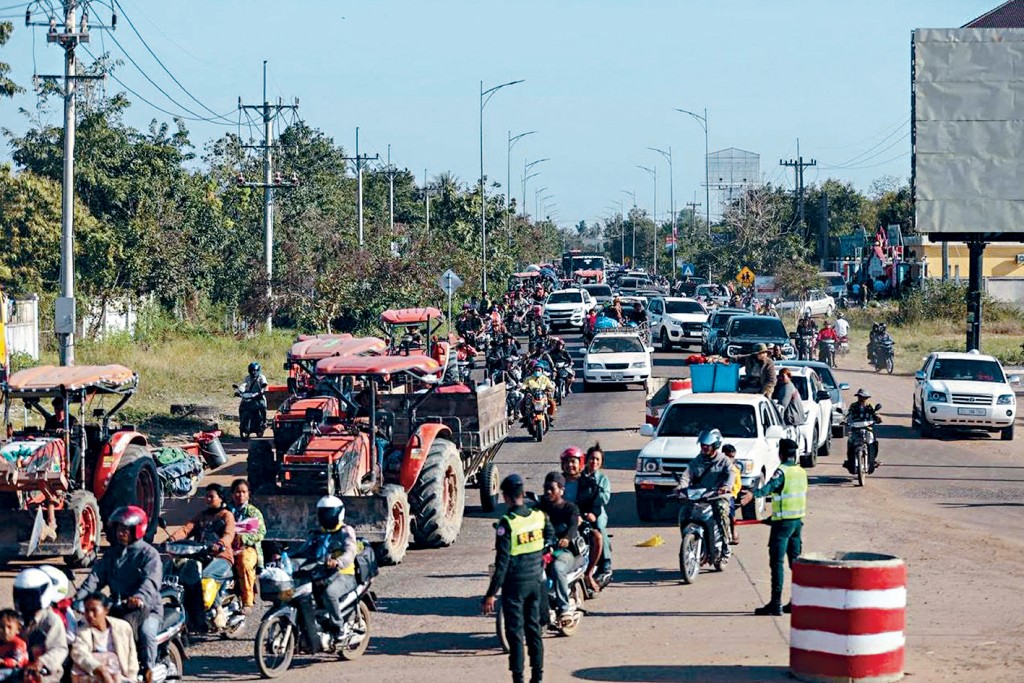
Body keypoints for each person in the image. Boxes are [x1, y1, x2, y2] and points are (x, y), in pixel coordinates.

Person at [74, 506, 161, 680]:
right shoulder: (111, 555)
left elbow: (150, 582)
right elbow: (95, 578)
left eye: (125, 529)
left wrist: (139, 598)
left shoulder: (149, 554)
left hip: (146, 609)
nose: (121, 533)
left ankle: (148, 670)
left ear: (138, 529)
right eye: (119, 529)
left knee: (146, 633)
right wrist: (77, 599)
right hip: (118, 607)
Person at [482, 474, 554, 683]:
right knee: (534, 631)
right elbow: (550, 537)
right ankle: (538, 677)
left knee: (515, 635)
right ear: (523, 494)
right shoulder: (538, 516)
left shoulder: (507, 523)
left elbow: (502, 563)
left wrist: (490, 594)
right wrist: (540, 554)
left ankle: (519, 678)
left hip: (515, 585)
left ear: (505, 497)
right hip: (536, 581)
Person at [740, 438, 807, 616]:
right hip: (796, 523)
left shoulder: (782, 471)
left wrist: (752, 494)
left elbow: (769, 488)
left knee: (776, 563)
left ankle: (775, 603)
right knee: (795, 564)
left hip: (783, 525)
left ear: (781, 454)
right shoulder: (801, 472)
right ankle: (797, 602)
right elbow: (791, 498)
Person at [289, 496, 358, 646]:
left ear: (339, 513)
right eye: (324, 513)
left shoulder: (346, 531)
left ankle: (339, 628)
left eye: (330, 512)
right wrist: (287, 557)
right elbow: (303, 550)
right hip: (321, 572)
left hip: (344, 574)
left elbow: (350, 552)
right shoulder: (317, 533)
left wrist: (338, 562)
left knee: (330, 593)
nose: (327, 516)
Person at [167, 483, 236, 633]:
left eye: (211, 496)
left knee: (205, 578)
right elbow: (187, 529)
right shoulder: (203, 515)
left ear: (221, 498)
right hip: (202, 555)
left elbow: (229, 534)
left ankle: (218, 609)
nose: (208, 499)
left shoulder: (226, 515)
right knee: (183, 575)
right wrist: (171, 539)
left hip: (221, 557)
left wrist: (221, 543)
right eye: (207, 496)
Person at [675, 429, 736, 562]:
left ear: (715, 446)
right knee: (685, 512)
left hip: (718, 496)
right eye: (702, 445)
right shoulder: (697, 461)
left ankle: (726, 545)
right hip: (699, 496)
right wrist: (681, 487)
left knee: (721, 511)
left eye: (707, 445)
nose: (704, 448)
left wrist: (726, 487)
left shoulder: (724, 461)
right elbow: (687, 474)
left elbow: (731, 474)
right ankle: (689, 544)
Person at [538, 472, 583, 622]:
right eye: (546, 488)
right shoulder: (539, 508)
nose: (548, 492)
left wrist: (566, 538)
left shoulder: (570, 508)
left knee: (557, 569)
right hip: (542, 550)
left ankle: (564, 609)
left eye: (552, 488)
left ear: (561, 490)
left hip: (564, 552)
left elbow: (573, 526)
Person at [13, 568, 68, 683]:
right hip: (17, 666)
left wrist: (41, 662)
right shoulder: (15, 618)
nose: (25, 601)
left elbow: (59, 649)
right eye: (21, 595)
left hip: (44, 673)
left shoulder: (51, 620)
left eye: (30, 596)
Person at [71, 593, 139, 683]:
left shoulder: (123, 627)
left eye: (94, 610)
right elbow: (79, 654)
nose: (90, 615)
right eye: (87, 611)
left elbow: (132, 656)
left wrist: (132, 678)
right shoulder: (82, 632)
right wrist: (100, 669)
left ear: (106, 610)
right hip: (95, 677)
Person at [227, 479, 266, 614]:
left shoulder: (253, 512)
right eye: (237, 492)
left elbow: (261, 533)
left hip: (248, 549)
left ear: (248, 494)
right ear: (232, 494)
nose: (240, 495)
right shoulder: (226, 511)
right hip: (227, 548)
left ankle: (247, 602)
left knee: (244, 562)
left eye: (243, 492)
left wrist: (244, 538)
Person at [578, 444, 613, 588]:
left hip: (597, 511)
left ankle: (606, 563)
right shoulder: (579, 476)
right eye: (592, 459)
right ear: (586, 460)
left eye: (597, 460)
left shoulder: (602, 479)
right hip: (580, 510)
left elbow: (605, 498)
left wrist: (594, 494)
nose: (594, 462)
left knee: (599, 528)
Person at [846, 388, 882, 473]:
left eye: (864, 397)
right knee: (850, 442)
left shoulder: (870, 406)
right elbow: (849, 414)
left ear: (867, 398)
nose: (862, 399)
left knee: (873, 443)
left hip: (867, 428)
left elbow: (875, 413)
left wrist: (878, 418)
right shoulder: (853, 406)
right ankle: (850, 461)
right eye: (860, 397)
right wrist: (845, 420)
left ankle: (872, 459)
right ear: (857, 397)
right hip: (855, 429)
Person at [520, 361, 557, 426]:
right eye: (536, 370)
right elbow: (524, 385)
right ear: (533, 370)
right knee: (522, 403)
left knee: (552, 403)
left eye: (539, 370)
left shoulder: (545, 378)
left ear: (542, 371)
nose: (537, 371)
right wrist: (523, 389)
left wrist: (550, 389)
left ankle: (550, 417)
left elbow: (551, 386)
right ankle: (525, 418)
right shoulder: (529, 378)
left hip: (543, 395)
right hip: (531, 395)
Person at [721, 444, 743, 544]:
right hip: (715, 493)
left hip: (729, 495)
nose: (730, 459)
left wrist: (732, 492)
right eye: (728, 456)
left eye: (732, 457)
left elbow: (738, 484)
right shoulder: (717, 466)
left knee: (731, 514)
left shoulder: (735, 469)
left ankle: (734, 532)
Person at [239, 361, 268, 431]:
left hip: (259, 396)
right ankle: (242, 422)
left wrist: (262, 390)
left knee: (263, 406)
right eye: (252, 371)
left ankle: (264, 421)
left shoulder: (261, 377)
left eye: (255, 371)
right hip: (249, 396)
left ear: (258, 371)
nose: (253, 372)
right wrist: (240, 390)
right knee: (241, 407)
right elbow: (244, 385)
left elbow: (264, 384)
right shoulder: (247, 378)